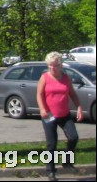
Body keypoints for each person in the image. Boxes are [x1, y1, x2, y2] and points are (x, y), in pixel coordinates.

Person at [36, 51, 84, 181]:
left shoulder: (65, 78)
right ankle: (50, 171)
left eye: (55, 65)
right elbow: (39, 94)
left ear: (60, 65)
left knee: (73, 137)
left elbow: (72, 94)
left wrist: (79, 107)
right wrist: (42, 109)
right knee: (52, 143)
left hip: (64, 114)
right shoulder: (44, 77)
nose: (52, 68)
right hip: (49, 115)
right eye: (50, 65)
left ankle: (67, 161)